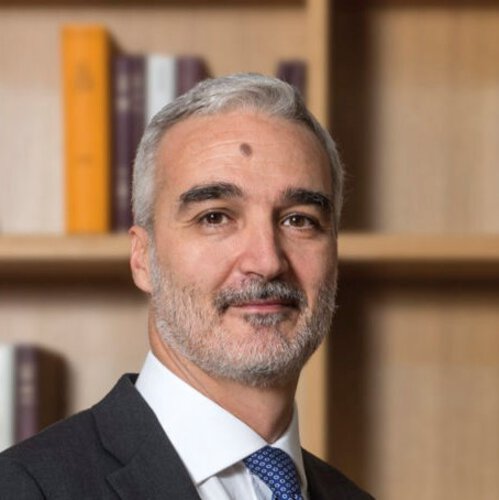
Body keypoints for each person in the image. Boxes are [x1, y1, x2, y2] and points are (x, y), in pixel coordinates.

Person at [0, 73, 373, 499]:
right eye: (215, 217)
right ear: (143, 258)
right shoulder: (24, 488)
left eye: (299, 220)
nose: (267, 261)